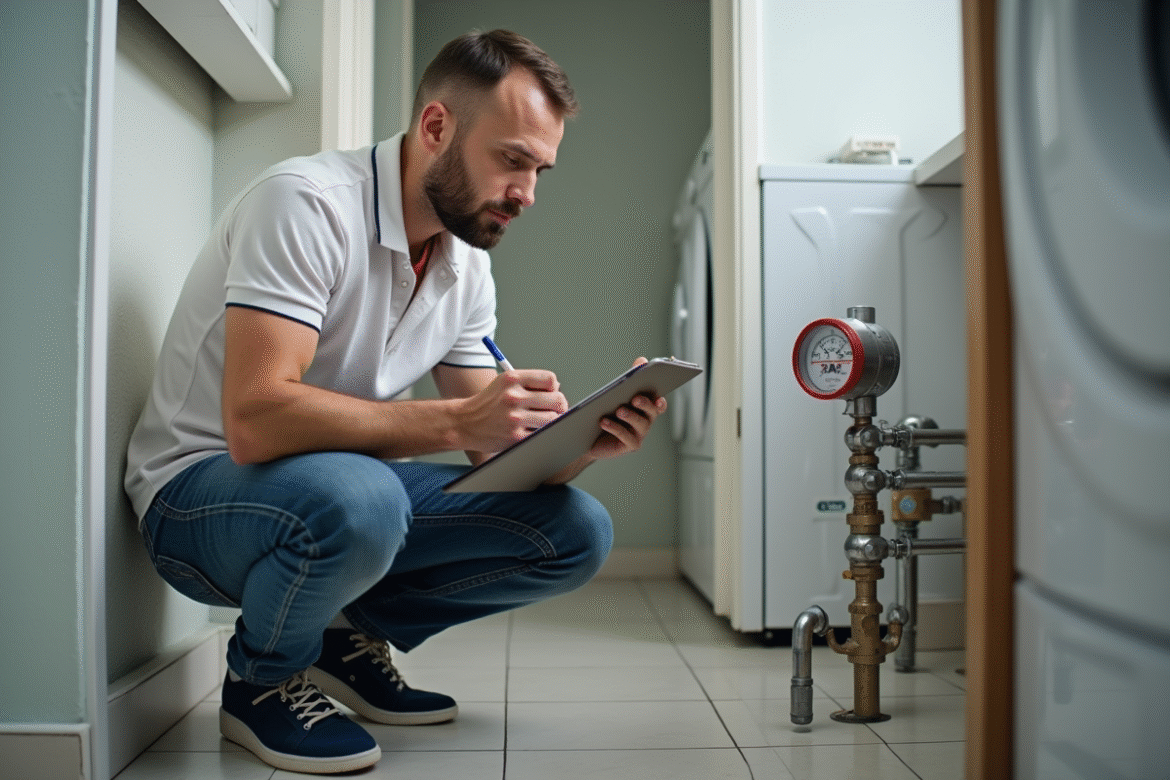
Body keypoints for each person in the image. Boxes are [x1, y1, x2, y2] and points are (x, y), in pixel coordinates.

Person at [124, 29, 666, 775]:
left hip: (338, 494)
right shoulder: (306, 205)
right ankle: (261, 681)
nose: (527, 194)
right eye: (512, 160)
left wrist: (579, 446)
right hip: (197, 499)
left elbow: (492, 459)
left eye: (540, 169)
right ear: (438, 127)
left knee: (575, 530)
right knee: (366, 495)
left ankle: (340, 638)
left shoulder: (465, 265)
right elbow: (253, 421)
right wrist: (452, 420)